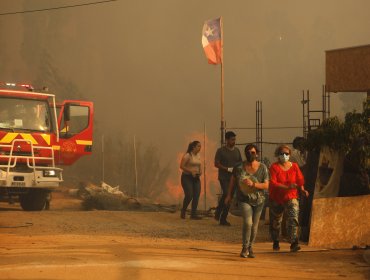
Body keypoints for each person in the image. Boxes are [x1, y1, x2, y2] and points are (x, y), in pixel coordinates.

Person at [225, 144, 269, 258]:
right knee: (248, 223)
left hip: (259, 200)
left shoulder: (262, 167)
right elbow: (233, 180)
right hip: (244, 199)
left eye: (253, 152)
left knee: (255, 225)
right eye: (248, 152)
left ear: (257, 154)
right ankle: (245, 247)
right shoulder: (239, 167)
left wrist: (254, 184)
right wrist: (229, 195)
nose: (250, 154)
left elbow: (266, 185)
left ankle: (250, 247)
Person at [269, 144, 309, 252]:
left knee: (293, 216)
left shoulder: (294, 166)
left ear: (289, 155)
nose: (284, 155)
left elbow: (300, 180)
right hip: (277, 197)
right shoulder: (274, 167)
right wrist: (287, 186)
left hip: (291, 195)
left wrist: (302, 189)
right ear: (278, 154)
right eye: (281, 153)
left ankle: (294, 242)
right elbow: (273, 183)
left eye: (286, 153)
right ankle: (276, 240)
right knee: (276, 221)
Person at [214, 131, 242, 226]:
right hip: (224, 177)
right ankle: (219, 213)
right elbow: (216, 163)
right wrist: (226, 168)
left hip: (234, 178)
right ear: (227, 140)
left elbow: (240, 163)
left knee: (229, 197)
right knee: (227, 193)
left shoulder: (237, 151)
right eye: (232, 139)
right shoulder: (220, 151)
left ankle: (222, 216)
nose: (234, 141)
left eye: (234, 139)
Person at [179, 140, 202, 220]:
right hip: (187, 177)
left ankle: (193, 214)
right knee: (189, 195)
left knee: (196, 195)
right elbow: (181, 166)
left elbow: (200, 164)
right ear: (193, 147)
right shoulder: (187, 155)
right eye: (198, 146)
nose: (200, 148)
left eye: (200, 146)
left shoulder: (198, 155)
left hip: (196, 178)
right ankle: (183, 210)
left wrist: (200, 171)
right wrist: (190, 171)